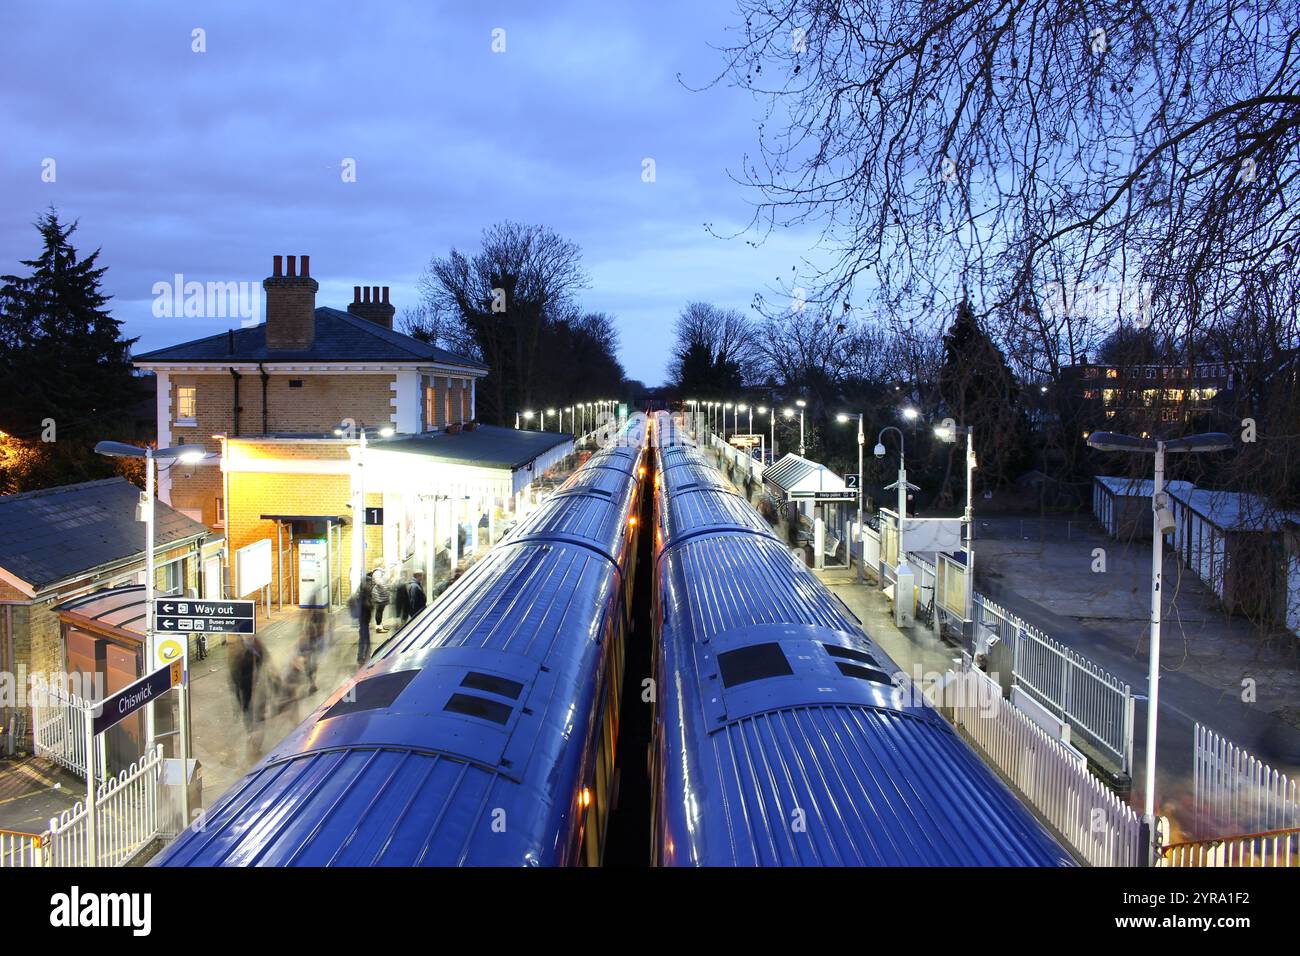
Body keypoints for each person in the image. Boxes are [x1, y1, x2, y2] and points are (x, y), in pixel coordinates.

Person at [228, 633, 268, 729]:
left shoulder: (256, 644)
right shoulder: (238, 648)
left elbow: (262, 656)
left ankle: (251, 719)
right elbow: (233, 666)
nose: (248, 637)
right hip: (240, 680)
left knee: (250, 698)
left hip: (250, 678)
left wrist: (259, 671)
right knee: (243, 699)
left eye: (250, 635)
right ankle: (246, 718)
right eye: (245, 635)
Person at [354, 574, 374, 665]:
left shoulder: (365, 593)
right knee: (363, 639)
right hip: (363, 620)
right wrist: (370, 604)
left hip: (365, 620)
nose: (371, 585)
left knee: (366, 639)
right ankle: (361, 656)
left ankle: (365, 655)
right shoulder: (363, 594)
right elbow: (367, 606)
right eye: (369, 583)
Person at [371, 566, 391, 633]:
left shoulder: (381, 572)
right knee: (379, 611)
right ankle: (378, 628)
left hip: (381, 594)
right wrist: (386, 588)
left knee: (380, 611)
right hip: (379, 595)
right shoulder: (377, 572)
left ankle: (380, 626)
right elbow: (379, 583)